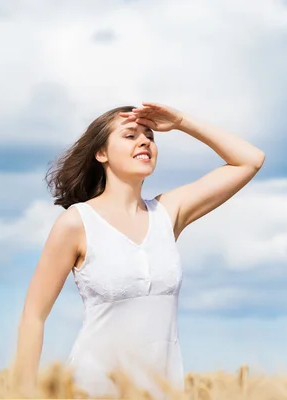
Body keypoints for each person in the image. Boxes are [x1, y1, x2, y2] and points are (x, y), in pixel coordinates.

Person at [13, 102, 265, 398]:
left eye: (150, 136)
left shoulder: (167, 214)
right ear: (101, 153)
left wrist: (181, 121)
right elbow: (34, 315)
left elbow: (250, 160)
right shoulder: (77, 223)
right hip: (90, 389)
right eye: (130, 135)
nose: (145, 140)